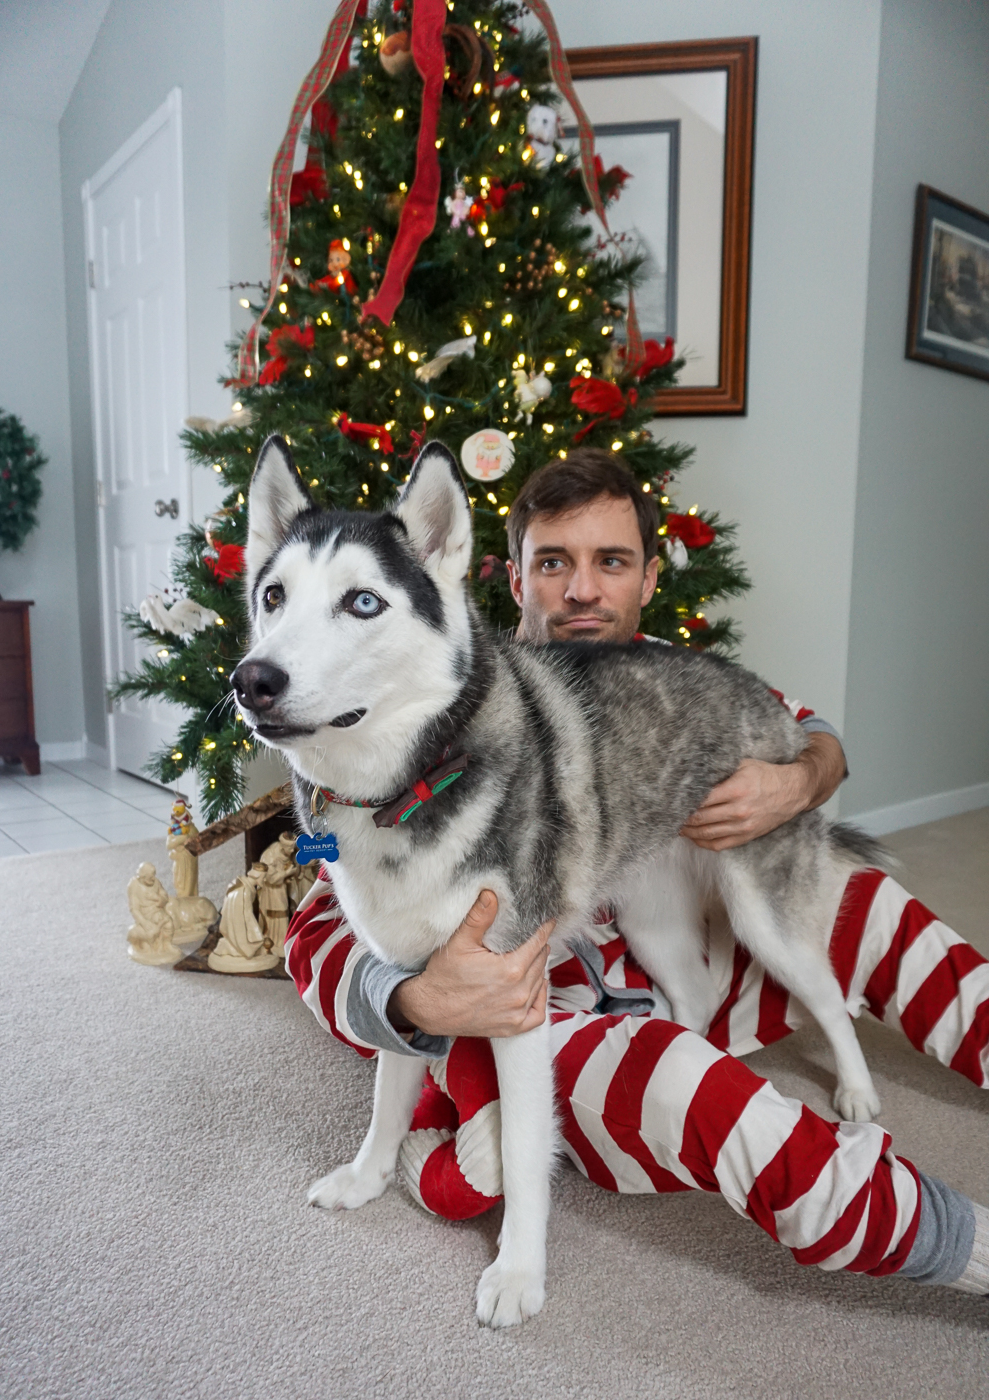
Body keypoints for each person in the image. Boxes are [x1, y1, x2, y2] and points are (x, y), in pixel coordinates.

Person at [285, 451, 989, 1297]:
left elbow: (800, 725)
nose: (582, 590)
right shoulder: (429, 699)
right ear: (510, 578)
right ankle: (951, 1241)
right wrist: (413, 1000)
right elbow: (319, 931)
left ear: (649, 579)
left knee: (862, 898)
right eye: (554, 563)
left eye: (610, 562)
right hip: (572, 1029)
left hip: (712, 958)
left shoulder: (668, 672)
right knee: (686, 1086)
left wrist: (796, 781)